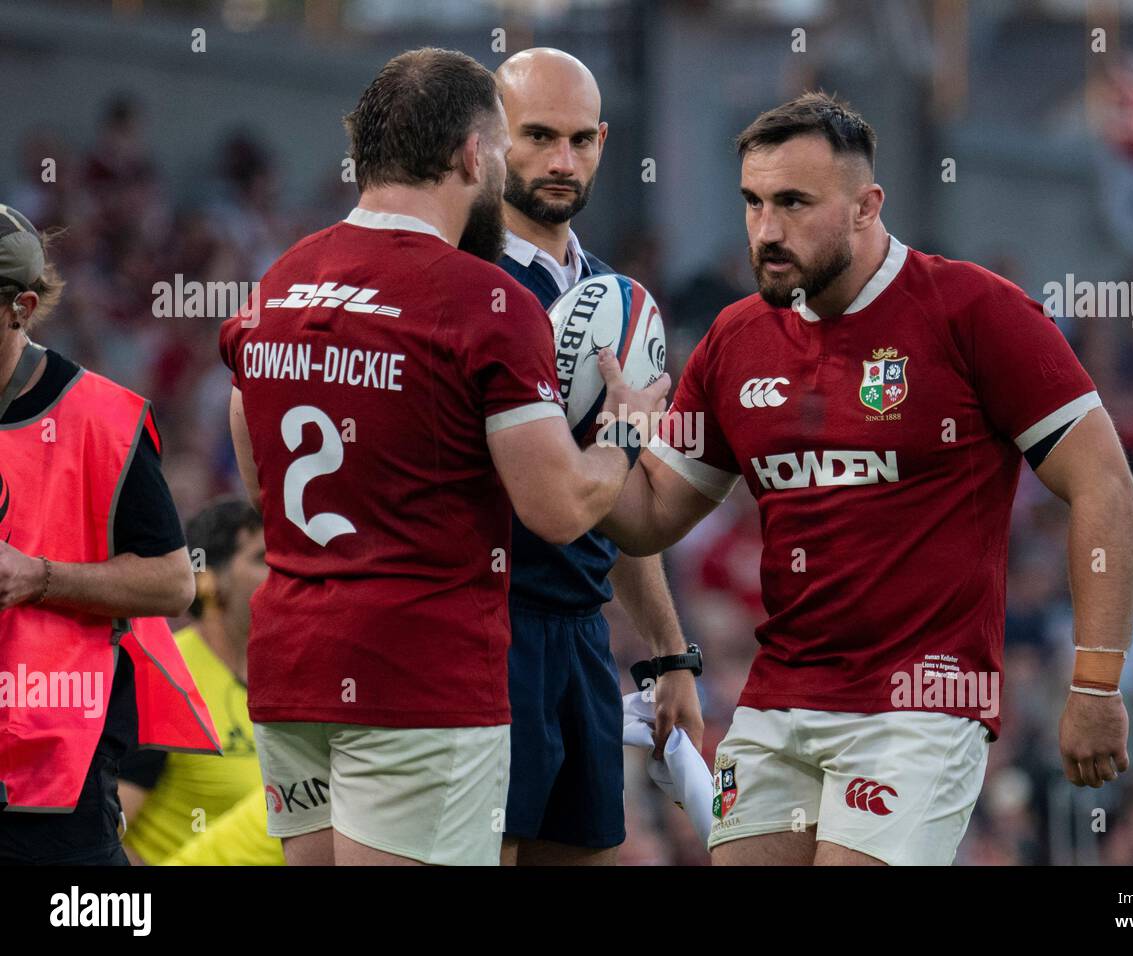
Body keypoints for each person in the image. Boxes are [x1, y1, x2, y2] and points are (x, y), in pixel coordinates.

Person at [599, 92, 1133, 866]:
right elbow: (648, 515)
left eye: (793, 203)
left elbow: (1105, 485)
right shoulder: (735, 338)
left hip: (920, 708)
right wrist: (599, 436)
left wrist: (1095, 684)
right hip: (777, 700)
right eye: (753, 203)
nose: (766, 230)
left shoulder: (975, 311)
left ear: (866, 205)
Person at [218, 47, 667, 866]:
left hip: (294, 670)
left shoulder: (279, 281)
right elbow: (560, 509)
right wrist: (626, 430)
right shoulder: (480, 297)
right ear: (474, 154)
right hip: (420, 671)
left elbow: (258, 474)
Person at [492, 48, 703, 866]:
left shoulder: (617, 298)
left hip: (578, 637)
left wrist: (664, 654)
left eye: (581, 139)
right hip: (489, 633)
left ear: (606, 141)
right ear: (488, 138)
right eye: (538, 135)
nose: (561, 161)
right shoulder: (466, 286)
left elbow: (618, 500)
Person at [0, 202, 218, 865]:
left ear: (21, 306)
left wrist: (41, 577)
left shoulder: (102, 418)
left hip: (55, 777)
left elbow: (173, 582)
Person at [118, 498, 267, 865]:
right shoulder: (168, 675)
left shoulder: (291, 678)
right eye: (261, 559)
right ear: (208, 581)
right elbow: (104, 833)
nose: (283, 572)